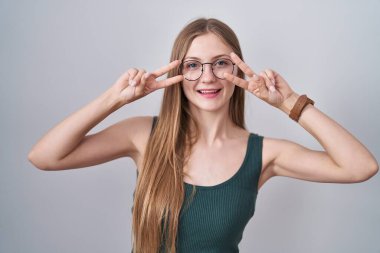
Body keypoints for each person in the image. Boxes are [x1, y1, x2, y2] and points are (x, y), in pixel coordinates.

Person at [28, 18, 378, 253]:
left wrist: (290, 103)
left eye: (220, 63)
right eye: (193, 65)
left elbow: (360, 167)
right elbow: (45, 157)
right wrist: (115, 99)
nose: (207, 77)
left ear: (238, 69)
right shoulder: (142, 135)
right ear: (178, 73)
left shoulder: (264, 154)